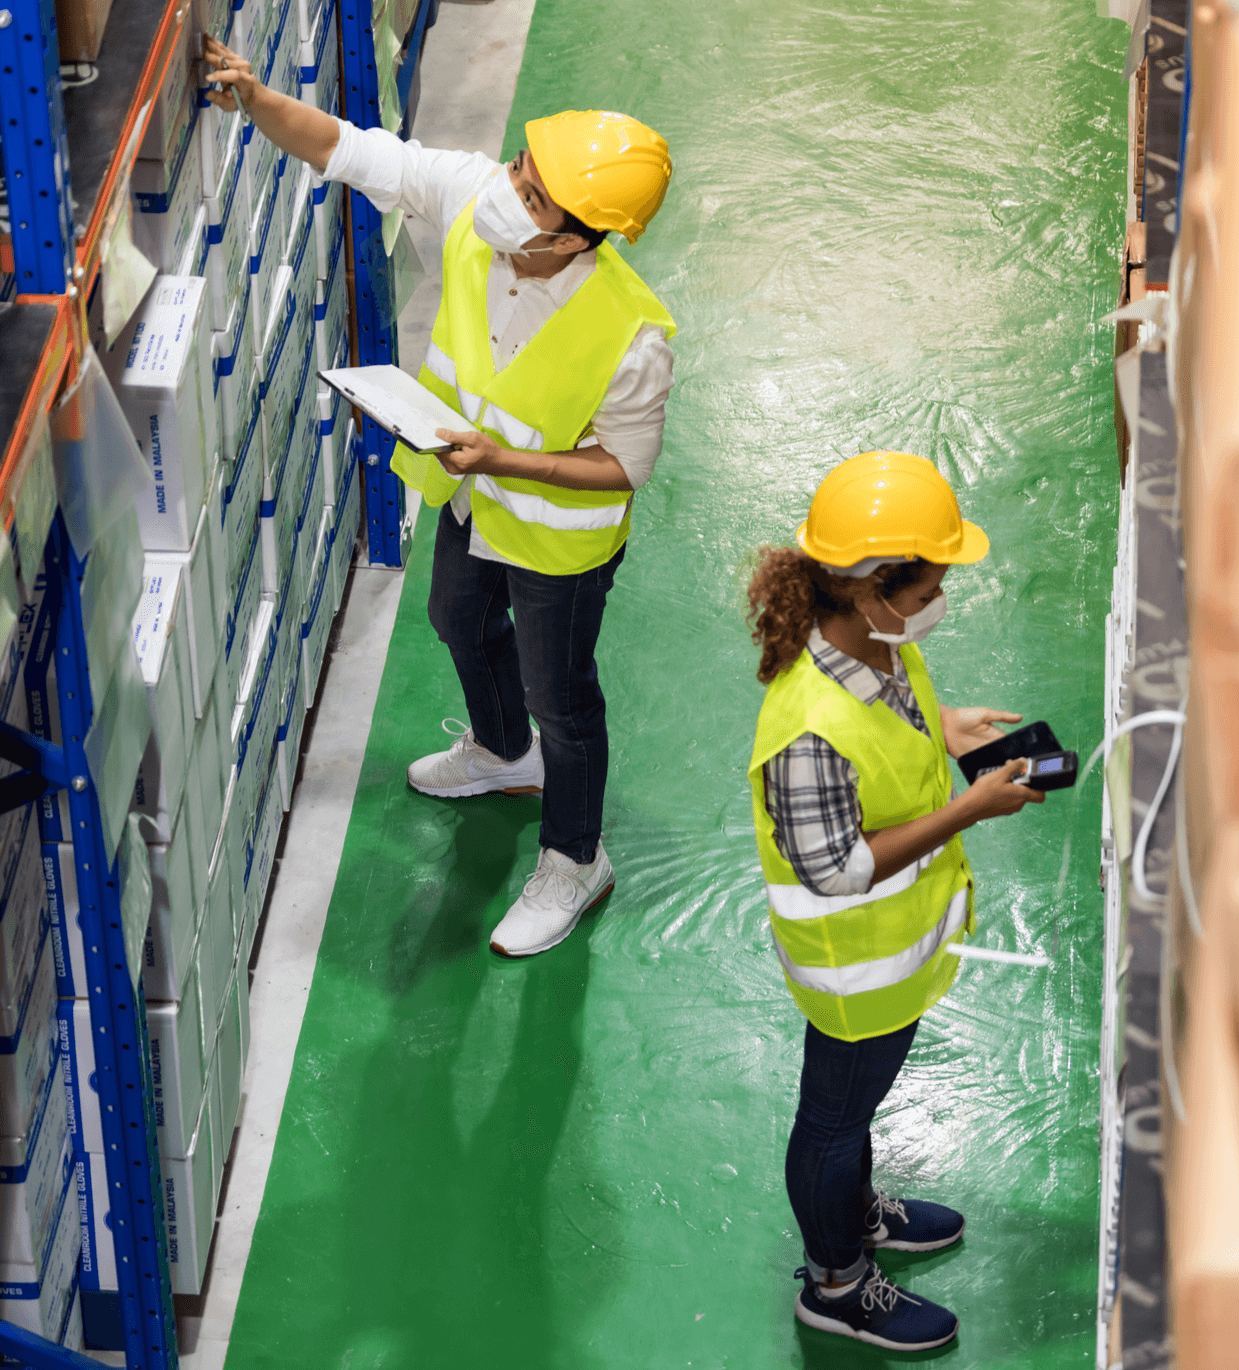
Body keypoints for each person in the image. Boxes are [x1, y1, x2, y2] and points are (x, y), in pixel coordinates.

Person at [204, 40, 676, 958]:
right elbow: (351, 148)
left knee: (565, 699)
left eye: (534, 196)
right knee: (458, 618)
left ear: (577, 238)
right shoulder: (473, 200)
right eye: (520, 168)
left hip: (556, 541)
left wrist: (504, 461)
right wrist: (258, 99)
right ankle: (503, 754)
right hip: (471, 498)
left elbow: (624, 468)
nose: (509, 189)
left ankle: (576, 859)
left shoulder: (633, 336)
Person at [746, 451, 1045, 1350]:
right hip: (852, 970)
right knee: (833, 1121)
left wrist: (945, 730)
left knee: (857, 1110)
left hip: (898, 954)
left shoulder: (869, 641)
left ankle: (856, 1217)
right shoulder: (806, 731)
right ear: (874, 586)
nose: (934, 605)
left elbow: (891, 719)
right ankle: (835, 1285)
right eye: (926, 592)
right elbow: (833, 870)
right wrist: (968, 811)